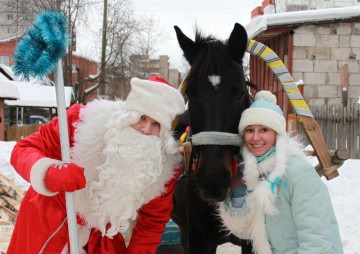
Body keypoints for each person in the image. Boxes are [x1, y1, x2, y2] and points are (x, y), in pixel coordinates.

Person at [7, 76, 186, 254]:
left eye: (156, 124)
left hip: (103, 237)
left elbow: (152, 222)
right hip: (47, 223)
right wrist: (49, 173)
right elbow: (23, 149)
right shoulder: (81, 122)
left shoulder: (162, 166)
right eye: (142, 118)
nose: (146, 129)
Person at [219, 90, 343, 254]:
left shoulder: (298, 173)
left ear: (277, 133)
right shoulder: (253, 173)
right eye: (250, 130)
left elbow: (316, 241)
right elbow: (249, 232)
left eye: (264, 130)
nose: (255, 138)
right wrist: (238, 195)